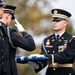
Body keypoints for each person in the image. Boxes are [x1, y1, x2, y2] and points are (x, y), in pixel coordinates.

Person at [29, 9, 75, 75]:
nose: (54, 23)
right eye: (53, 20)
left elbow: (66, 56)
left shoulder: (71, 39)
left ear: (65, 23)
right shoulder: (47, 40)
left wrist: (45, 57)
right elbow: (44, 59)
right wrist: (36, 64)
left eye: (58, 21)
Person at [0, 4, 36, 75]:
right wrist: (23, 31)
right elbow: (31, 45)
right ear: (7, 17)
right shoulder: (9, 32)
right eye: (11, 18)